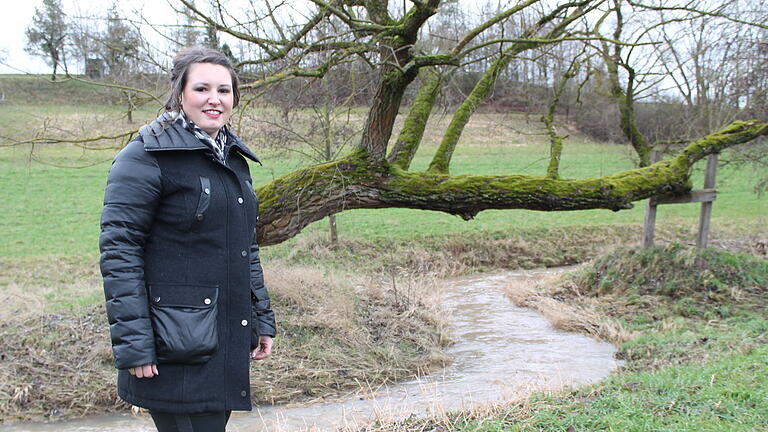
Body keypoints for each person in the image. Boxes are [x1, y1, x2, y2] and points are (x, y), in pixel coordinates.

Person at [99, 47, 276, 432]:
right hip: (171, 343)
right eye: (202, 88)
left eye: (224, 90)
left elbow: (245, 248)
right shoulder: (144, 157)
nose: (215, 99)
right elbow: (119, 253)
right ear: (180, 93)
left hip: (224, 336)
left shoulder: (233, 159)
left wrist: (260, 318)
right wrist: (135, 344)